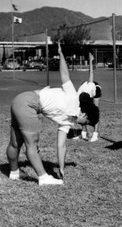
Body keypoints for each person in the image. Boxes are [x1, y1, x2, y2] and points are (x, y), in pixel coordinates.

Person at [6, 42, 97, 185]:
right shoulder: (73, 96)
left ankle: (14, 172)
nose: (81, 126)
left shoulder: (67, 122)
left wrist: (61, 167)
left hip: (20, 100)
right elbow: (65, 75)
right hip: (29, 103)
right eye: (84, 123)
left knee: (15, 142)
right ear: (85, 115)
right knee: (32, 143)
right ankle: (43, 177)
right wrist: (60, 54)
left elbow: (61, 146)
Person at [76, 52, 102, 141]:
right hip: (84, 93)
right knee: (83, 114)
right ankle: (84, 133)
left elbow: (90, 73)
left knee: (95, 112)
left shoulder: (91, 86)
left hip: (96, 89)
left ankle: (95, 134)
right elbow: (81, 114)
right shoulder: (77, 96)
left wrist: (91, 61)